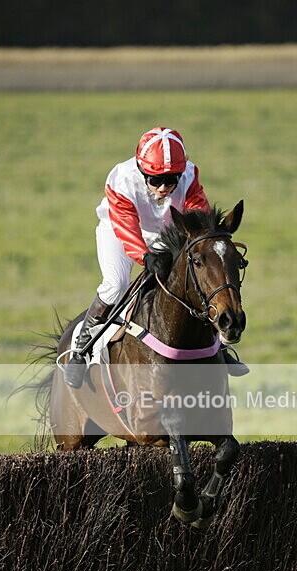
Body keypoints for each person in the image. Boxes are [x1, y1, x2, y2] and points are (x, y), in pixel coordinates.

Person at [65, 126, 248, 389]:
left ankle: (217, 346)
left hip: (166, 230)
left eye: (171, 179)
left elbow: (196, 210)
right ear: (142, 171)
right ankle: (82, 347)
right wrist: (145, 257)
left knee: (192, 280)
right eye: (155, 180)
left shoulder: (189, 174)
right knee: (115, 284)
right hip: (119, 231)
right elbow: (126, 223)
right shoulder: (121, 179)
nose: (164, 187)